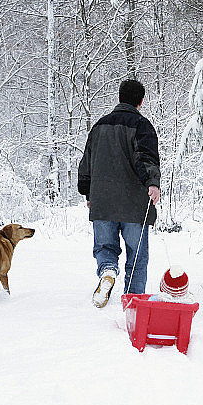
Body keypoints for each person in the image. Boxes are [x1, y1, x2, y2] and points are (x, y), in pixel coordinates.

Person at [77, 79, 161, 308]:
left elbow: (86, 163)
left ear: (119, 98)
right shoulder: (142, 126)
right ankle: (133, 302)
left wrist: (88, 193)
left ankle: (108, 272)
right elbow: (145, 158)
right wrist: (153, 183)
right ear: (141, 101)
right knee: (137, 256)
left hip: (102, 201)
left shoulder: (99, 126)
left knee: (105, 248)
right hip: (134, 205)